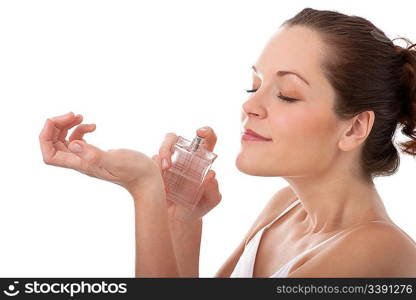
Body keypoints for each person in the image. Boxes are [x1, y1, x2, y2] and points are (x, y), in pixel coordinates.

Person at [39, 8, 416, 277]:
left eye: (286, 94)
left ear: (353, 128)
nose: (249, 105)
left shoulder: (378, 250)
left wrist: (145, 189)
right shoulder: (285, 209)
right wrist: (180, 213)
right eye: (254, 85)